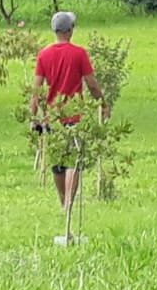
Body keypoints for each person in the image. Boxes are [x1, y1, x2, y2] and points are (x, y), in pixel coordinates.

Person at [29, 11, 108, 209]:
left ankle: (63, 201)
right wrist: (103, 103)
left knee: (58, 162)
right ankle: (69, 204)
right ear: (70, 30)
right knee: (74, 159)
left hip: (52, 117)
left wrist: (33, 116)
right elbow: (91, 84)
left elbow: (36, 90)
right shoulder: (79, 53)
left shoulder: (43, 55)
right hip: (75, 114)